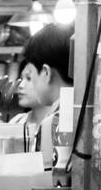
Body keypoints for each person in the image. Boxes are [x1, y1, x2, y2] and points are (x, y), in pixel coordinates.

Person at [12, 23, 73, 155]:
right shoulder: (88, 111)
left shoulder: (53, 123)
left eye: (30, 76)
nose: (22, 84)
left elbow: (48, 168)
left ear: (46, 72)